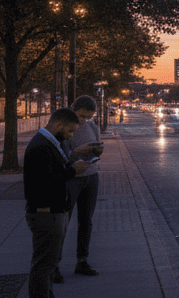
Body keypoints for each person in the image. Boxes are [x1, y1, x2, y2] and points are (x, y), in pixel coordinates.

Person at [24, 108, 91, 298]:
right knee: (44, 266)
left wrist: (70, 165)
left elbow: (51, 172)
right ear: (59, 124)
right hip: (46, 213)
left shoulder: (49, 143)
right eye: (70, 131)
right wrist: (72, 171)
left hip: (52, 212)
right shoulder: (41, 146)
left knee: (48, 265)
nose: (71, 136)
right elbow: (44, 181)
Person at [61, 95, 104, 279]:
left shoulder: (92, 126)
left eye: (87, 117)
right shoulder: (64, 127)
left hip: (91, 176)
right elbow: (62, 157)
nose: (83, 120)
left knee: (86, 221)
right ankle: (54, 264)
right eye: (80, 115)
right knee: (63, 221)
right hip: (72, 179)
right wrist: (79, 151)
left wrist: (97, 150)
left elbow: (98, 145)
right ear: (73, 109)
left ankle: (82, 260)